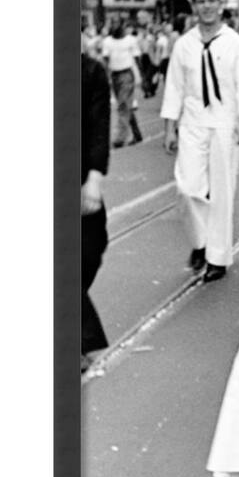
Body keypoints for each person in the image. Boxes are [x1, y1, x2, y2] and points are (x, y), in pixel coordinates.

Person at [160, 0, 239, 283]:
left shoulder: (236, 44)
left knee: (222, 192)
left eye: (211, 0)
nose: (206, 6)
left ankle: (217, 257)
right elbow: (174, 87)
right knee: (187, 188)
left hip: (224, 125)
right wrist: (169, 128)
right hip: (192, 123)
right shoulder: (184, 45)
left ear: (220, 4)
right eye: (200, 1)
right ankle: (200, 242)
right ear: (194, 6)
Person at [81, 49, 111, 369]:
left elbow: (98, 124)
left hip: (78, 175)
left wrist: (94, 177)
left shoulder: (91, 71)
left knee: (91, 249)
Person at [101, 20, 143, 147]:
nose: (115, 28)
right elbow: (106, 60)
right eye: (112, 25)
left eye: (117, 25)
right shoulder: (107, 41)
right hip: (115, 75)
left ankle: (120, 137)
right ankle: (137, 134)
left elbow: (137, 58)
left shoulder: (130, 40)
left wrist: (142, 75)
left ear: (122, 27)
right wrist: (105, 76)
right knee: (125, 105)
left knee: (123, 105)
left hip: (126, 75)